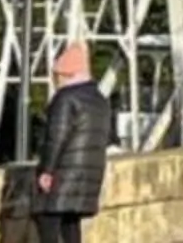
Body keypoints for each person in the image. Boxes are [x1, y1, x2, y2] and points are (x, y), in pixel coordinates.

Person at [33, 43, 114, 243]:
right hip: (89, 176)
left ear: (66, 74)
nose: (55, 81)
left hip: (64, 174)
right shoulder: (100, 100)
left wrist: (46, 171)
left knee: (47, 222)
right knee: (71, 226)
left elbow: (56, 138)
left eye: (57, 76)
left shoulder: (66, 98)